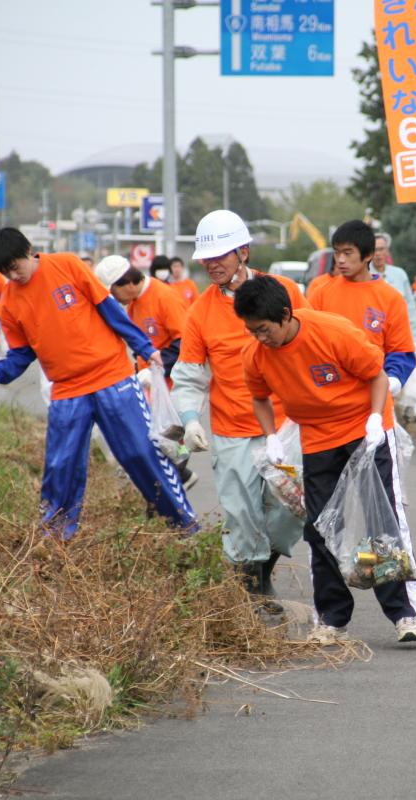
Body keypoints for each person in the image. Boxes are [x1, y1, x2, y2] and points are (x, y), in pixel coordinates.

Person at [235, 275, 416, 644]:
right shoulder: (256, 355)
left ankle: (406, 614)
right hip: (317, 436)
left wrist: (374, 420)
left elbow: (376, 376)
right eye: (251, 330)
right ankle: (332, 619)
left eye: (263, 329)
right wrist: (271, 435)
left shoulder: (333, 332)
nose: (259, 338)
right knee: (321, 527)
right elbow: (259, 397)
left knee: (382, 518)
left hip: (365, 428)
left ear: (286, 315)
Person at [0, 227, 197, 539]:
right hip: (67, 389)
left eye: (15, 266)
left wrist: (146, 350)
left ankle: (182, 524)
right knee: (61, 463)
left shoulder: (67, 264)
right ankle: (54, 537)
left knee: (138, 451)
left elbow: (111, 312)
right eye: (5, 273)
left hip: (112, 375)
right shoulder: (9, 303)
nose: (13, 276)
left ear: (28, 251)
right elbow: (20, 355)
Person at [170, 210, 306, 607]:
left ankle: (263, 573)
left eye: (221, 257)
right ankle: (253, 593)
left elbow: (311, 340)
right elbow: (190, 376)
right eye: (206, 259)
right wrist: (191, 419)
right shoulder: (200, 312)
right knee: (242, 518)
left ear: (243, 252)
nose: (212, 265)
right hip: (232, 431)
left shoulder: (284, 291)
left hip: (285, 426)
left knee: (291, 508)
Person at [94, 254, 197, 490]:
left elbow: (185, 344)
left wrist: (156, 370)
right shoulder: (133, 304)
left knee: (164, 441)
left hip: (169, 384)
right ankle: (176, 479)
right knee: (151, 441)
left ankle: (178, 478)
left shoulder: (164, 297)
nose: (114, 299)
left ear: (127, 283)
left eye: (113, 292)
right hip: (149, 382)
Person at [310, 221, 416, 399]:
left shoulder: (391, 298)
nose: (340, 259)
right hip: (328, 400)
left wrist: (391, 382)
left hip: (373, 400)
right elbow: (307, 343)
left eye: (347, 253)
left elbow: (400, 352)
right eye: (337, 252)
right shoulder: (321, 293)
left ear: (368, 255)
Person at [371, 232, 416, 348]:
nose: (378, 254)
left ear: (387, 251)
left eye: (381, 249)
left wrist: (415, 338)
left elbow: (410, 308)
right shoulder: (364, 276)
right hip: (374, 339)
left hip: (399, 338)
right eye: (375, 250)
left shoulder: (399, 274)